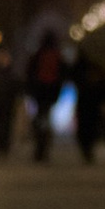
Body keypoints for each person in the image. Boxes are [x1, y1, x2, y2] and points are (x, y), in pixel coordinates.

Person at [25, 34, 65, 162]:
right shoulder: (56, 56)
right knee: (46, 117)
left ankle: (40, 146)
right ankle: (44, 146)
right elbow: (62, 74)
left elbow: (30, 72)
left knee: (40, 117)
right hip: (50, 91)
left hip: (40, 91)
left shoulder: (38, 55)